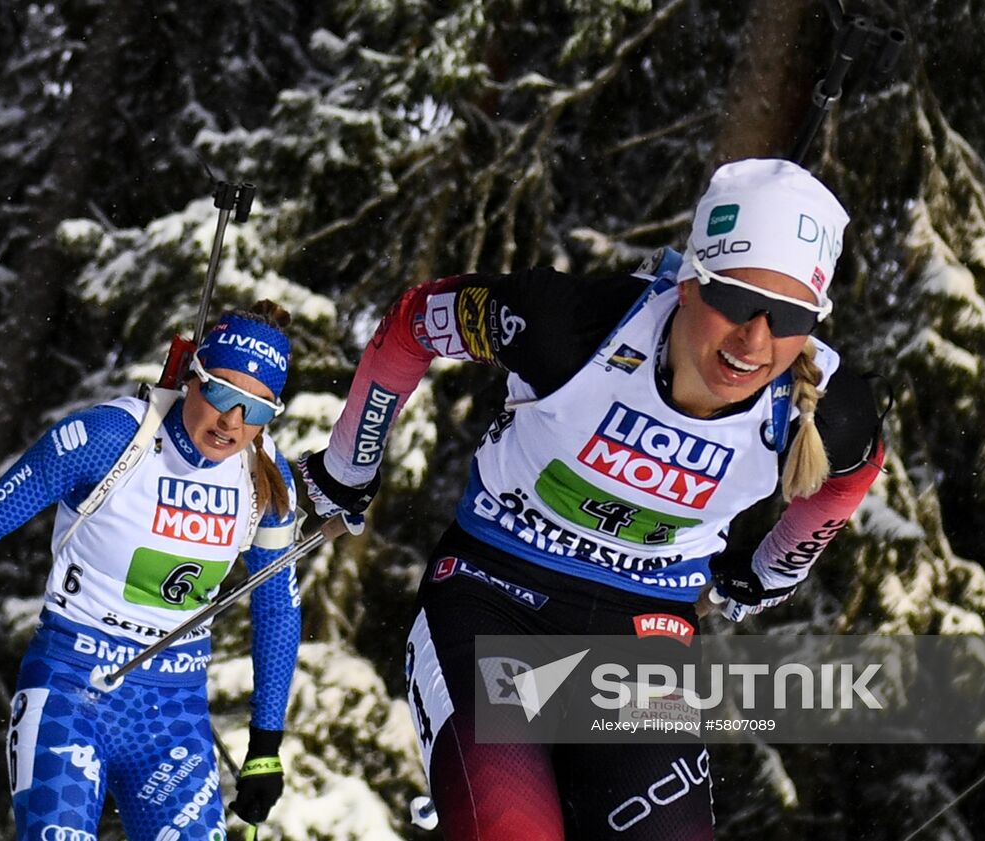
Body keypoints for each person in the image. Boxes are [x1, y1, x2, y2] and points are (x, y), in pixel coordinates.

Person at [297, 159, 885, 840]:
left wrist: (771, 569)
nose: (754, 340)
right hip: (495, 597)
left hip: (642, 637)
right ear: (690, 281)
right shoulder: (569, 328)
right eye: (732, 300)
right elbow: (413, 323)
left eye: (787, 317)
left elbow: (850, 476)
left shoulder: (827, 409)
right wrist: (349, 465)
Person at [0, 301, 303, 841]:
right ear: (192, 377)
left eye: (255, 410)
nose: (232, 421)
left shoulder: (266, 479)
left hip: (172, 715)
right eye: (222, 393)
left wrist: (266, 745)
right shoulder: (109, 438)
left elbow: (276, 602)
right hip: (70, 689)